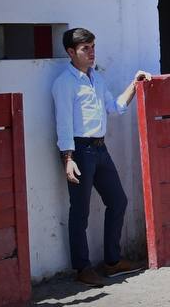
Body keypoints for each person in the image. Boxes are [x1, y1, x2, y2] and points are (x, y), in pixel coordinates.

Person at [52, 27, 150, 287]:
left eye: (93, 46)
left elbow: (115, 108)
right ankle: (82, 267)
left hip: (100, 149)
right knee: (80, 212)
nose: (92, 52)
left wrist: (135, 82)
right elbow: (63, 123)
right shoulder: (64, 84)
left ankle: (112, 261)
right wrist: (67, 158)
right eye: (86, 48)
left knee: (118, 201)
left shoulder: (97, 79)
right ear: (71, 52)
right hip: (80, 152)